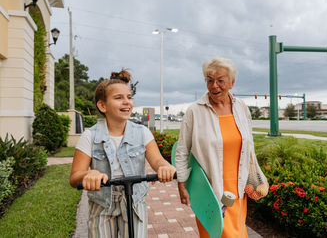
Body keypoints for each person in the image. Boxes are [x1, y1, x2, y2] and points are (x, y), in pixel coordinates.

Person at [70, 70, 176, 238]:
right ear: (102, 106)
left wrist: (165, 167)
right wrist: (89, 174)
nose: (127, 102)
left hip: (134, 201)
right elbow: (75, 177)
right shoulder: (90, 136)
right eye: (119, 98)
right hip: (102, 203)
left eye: (129, 97)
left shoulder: (142, 133)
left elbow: (158, 161)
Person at [175, 58, 268, 237]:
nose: (214, 86)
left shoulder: (241, 108)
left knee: (238, 234)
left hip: (238, 189)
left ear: (232, 83)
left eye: (220, 80)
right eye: (209, 80)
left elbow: (248, 147)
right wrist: (182, 184)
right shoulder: (195, 111)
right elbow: (182, 150)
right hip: (209, 191)